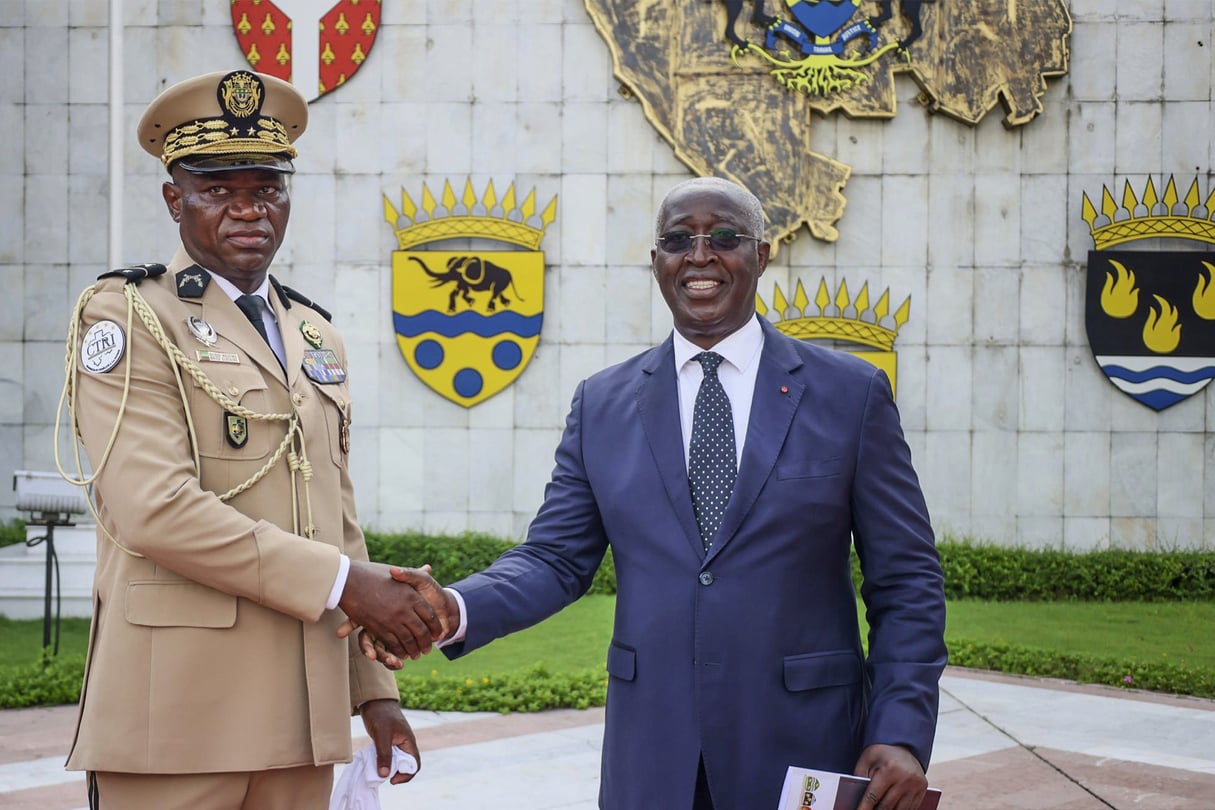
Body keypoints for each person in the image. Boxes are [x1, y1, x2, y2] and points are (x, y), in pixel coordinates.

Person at [367, 176, 947, 810]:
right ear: (657, 262)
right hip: (653, 759)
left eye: (723, 236)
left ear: (762, 253)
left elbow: (907, 580)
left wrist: (901, 733)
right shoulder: (604, 404)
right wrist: (454, 608)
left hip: (802, 749)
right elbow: (555, 560)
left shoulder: (849, 394)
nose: (700, 255)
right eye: (678, 240)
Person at [58, 69, 448, 810]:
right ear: (175, 200)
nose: (247, 210)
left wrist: (375, 697)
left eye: (266, 189)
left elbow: (337, 516)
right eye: (219, 190)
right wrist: (343, 585)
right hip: (173, 720)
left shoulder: (313, 331)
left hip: (300, 726)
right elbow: (156, 509)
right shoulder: (128, 318)